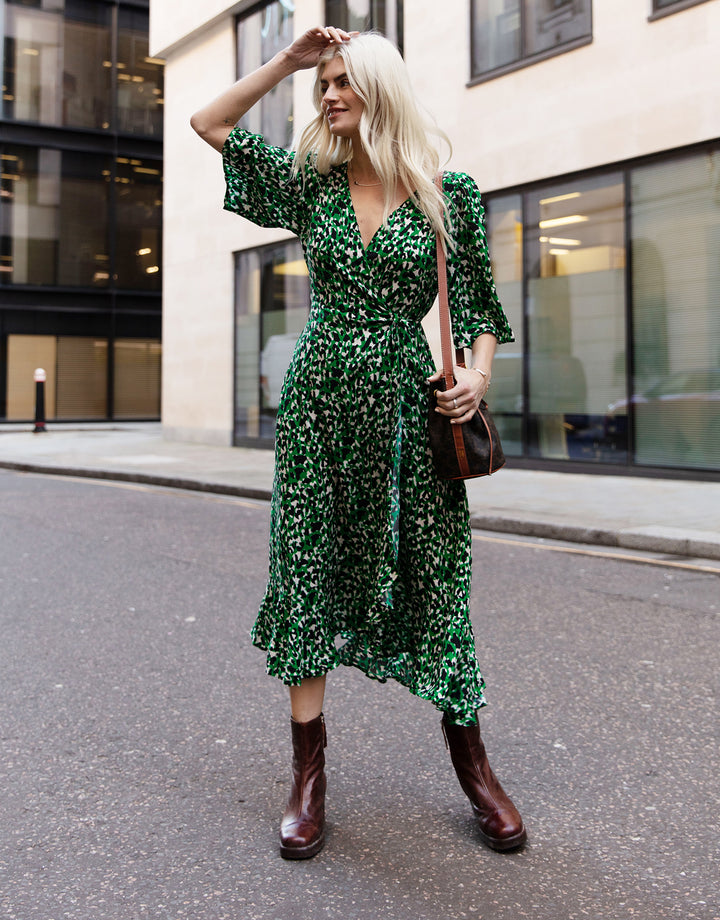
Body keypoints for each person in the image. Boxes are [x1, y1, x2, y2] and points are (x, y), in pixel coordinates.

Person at [191, 26, 526, 859]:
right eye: (325, 85)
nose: (330, 95)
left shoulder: (447, 194)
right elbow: (208, 122)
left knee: (435, 580)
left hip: (415, 418)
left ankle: (475, 770)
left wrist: (478, 377)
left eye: (343, 81)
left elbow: (480, 313)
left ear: (381, 88)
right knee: (308, 570)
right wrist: (287, 62)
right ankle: (309, 780)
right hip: (319, 411)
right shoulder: (312, 186)